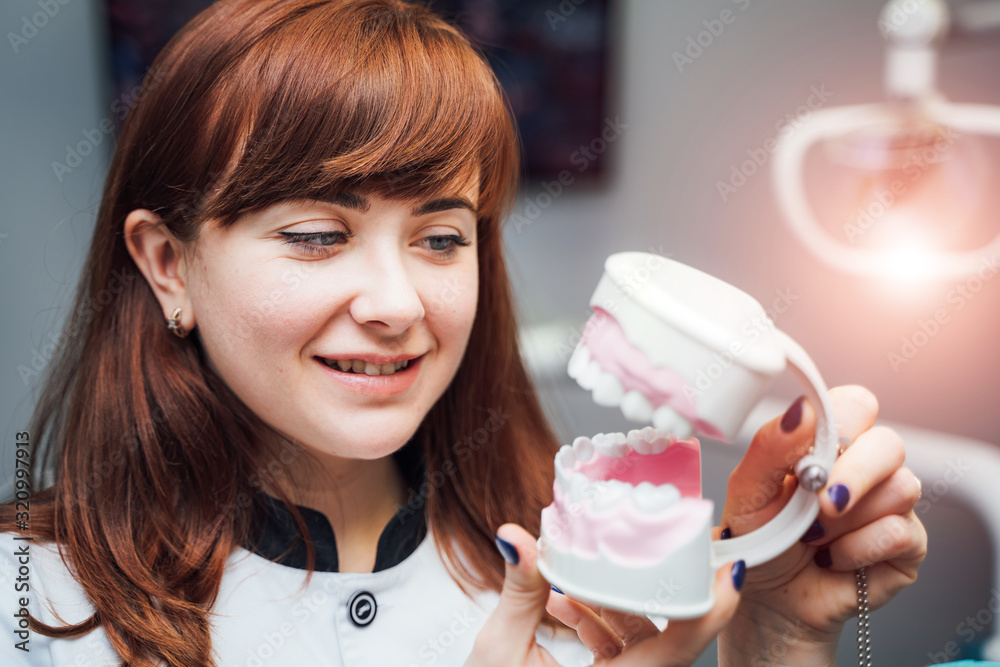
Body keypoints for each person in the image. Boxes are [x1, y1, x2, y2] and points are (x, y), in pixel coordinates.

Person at [0, 1, 927, 665]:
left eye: (442, 238)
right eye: (319, 234)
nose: (398, 303)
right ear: (168, 263)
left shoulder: (594, 593)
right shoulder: (27, 603)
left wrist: (777, 643)